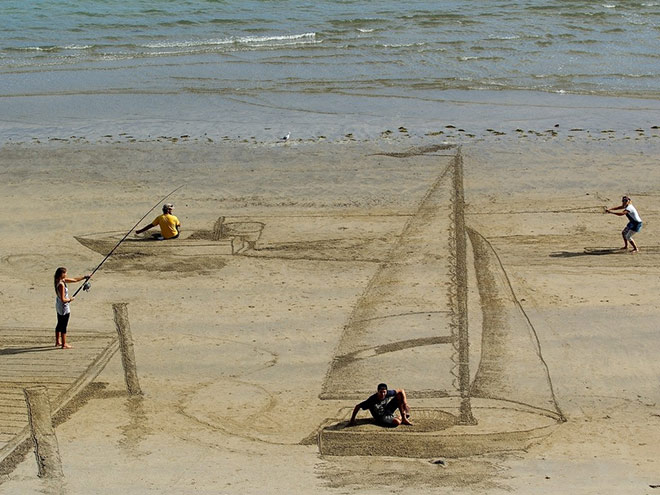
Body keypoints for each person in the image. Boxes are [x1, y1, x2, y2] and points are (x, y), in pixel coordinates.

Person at [54, 267, 91, 349]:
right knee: (63, 325)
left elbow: (74, 280)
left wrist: (84, 277)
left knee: (59, 323)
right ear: (62, 274)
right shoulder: (61, 285)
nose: (66, 274)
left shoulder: (59, 280)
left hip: (58, 305)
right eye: (65, 273)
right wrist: (70, 299)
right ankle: (64, 344)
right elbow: (63, 299)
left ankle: (57, 341)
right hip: (63, 307)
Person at [349, 383, 413, 427]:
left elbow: (401, 390)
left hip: (387, 410)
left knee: (399, 396)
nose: (382, 394)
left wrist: (405, 403)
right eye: (381, 392)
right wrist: (352, 419)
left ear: (386, 391)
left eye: (384, 392)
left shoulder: (387, 393)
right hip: (380, 417)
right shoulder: (372, 400)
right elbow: (357, 406)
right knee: (397, 422)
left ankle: (404, 418)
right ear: (378, 392)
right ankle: (400, 417)